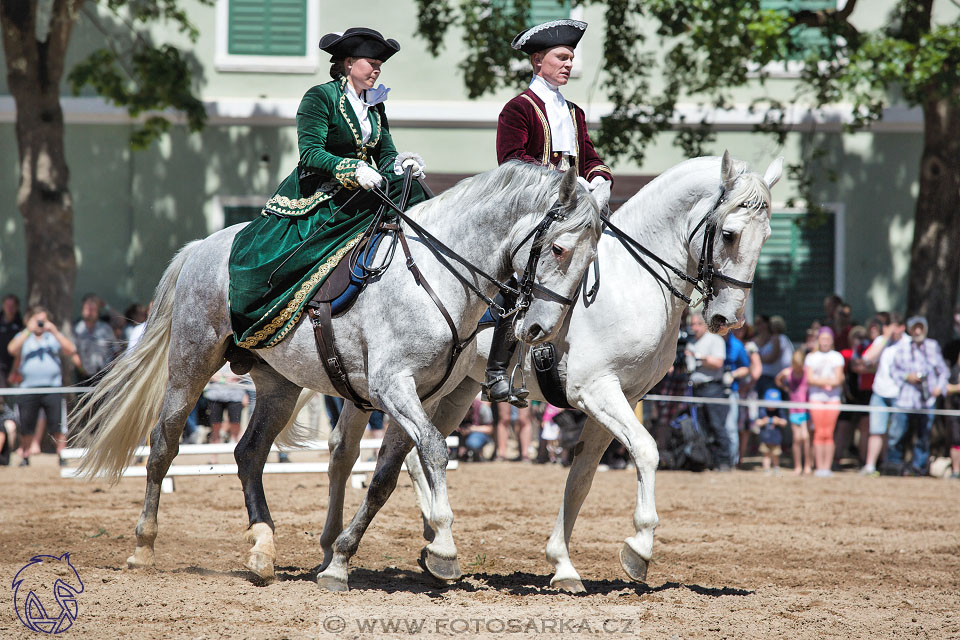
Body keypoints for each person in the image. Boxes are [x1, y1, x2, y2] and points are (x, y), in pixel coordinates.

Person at [229, 27, 427, 350]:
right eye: (371, 62)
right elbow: (309, 152)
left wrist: (401, 165)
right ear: (348, 63)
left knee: (413, 191)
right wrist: (350, 167)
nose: (377, 69)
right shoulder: (320, 97)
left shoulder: (375, 105)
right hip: (322, 190)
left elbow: (385, 153)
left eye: (380, 64)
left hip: (366, 186)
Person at [483, 18, 613, 407]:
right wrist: (564, 181)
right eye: (562, 57)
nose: (568, 64)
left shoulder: (573, 111)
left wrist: (600, 177)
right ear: (538, 61)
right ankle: (496, 370)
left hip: (572, 210)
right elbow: (512, 162)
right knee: (517, 279)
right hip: (531, 213)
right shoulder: (518, 108)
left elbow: (588, 156)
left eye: (571, 58)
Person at [6, 306, 78, 465]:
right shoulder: (24, 337)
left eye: (43, 320)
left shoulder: (52, 338)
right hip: (28, 388)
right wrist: (27, 331)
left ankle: (62, 456)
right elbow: (11, 349)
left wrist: (54, 331)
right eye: (37, 320)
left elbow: (71, 349)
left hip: (52, 387)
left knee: (57, 424)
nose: (40, 324)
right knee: (26, 425)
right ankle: (25, 456)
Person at [886, 316, 948, 476]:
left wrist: (938, 388)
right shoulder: (903, 348)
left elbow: (943, 371)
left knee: (923, 436)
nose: (918, 331)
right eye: (915, 328)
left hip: (927, 401)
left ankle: (918, 468)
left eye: (921, 328)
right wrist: (908, 376)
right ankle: (894, 465)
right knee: (897, 434)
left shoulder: (932, 347)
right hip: (906, 398)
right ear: (910, 330)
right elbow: (893, 371)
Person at [859, 313, 906, 475]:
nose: (890, 331)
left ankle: (890, 465)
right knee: (876, 430)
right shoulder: (881, 341)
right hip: (879, 392)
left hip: (900, 393)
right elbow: (867, 359)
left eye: (893, 327)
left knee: (895, 434)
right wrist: (885, 338)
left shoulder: (907, 343)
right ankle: (870, 466)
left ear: (902, 327)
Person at [685, 311, 731, 471]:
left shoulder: (715, 340)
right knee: (701, 427)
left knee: (717, 425)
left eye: (697, 324)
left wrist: (698, 357)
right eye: (691, 324)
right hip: (696, 389)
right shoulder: (690, 342)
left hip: (713, 388)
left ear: (705, 325)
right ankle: (709, 461)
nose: (694, 328)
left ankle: (724, 461)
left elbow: (718, 363)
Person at [804, 327, 845, 477]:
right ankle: (819, 467)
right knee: (819, 433)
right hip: (816, 399)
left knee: (828, 433)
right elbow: (810, 379)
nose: (825, 342)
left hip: (832, 399)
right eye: (823, 338)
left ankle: (827, 467)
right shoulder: (811, 357)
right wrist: (827, 382)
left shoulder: (837, 357)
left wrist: (821, 381)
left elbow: (838, 379)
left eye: (828, 339)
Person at [777, 348, 811, 475]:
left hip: (806, 409)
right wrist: (786, 388)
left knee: (806, 438)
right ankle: (798, 466)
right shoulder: (788, 373)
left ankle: (807, 464)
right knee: (797, 438)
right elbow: (778, 379)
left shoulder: (807, 372)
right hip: (794, 410)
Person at [74, 293, 119, 383]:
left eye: (93, 309)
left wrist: (105, 306)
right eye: (87, 308)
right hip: (83, 377)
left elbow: (116, 351)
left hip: (104, 375)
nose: (90, 312)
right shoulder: (76, 329)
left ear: (98, 311)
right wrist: (82, 370)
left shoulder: (106, 328)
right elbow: (73, 353)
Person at [723, 330, 751, 466]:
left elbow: (746, 368)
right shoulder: (712, 342)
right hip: (712, 391)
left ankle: (732, 461)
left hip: (731, 391)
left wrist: (733, 375)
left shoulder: (737, 345)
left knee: (730, 428)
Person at [752, 388, 787, 475]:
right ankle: (766, 469)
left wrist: (778, 421)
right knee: (766, 455)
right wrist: (764, 421)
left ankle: (776, 468)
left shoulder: (780, 411)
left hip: (776, 439)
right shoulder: (762, 410)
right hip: (765, 439)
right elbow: (757, 422)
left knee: (776, 455)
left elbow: (785, 422)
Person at [944, 340, 960, 479]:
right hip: (955, 408)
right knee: (956, 440)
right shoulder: (954, 370)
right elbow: (945, 388)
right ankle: (956, 471)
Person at [0, 294, 24, 386]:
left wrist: (14, 370)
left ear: (17, 307)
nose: (9, 309)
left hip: (16, 364)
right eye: (7, 305)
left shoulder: (21, 324)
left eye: (12, 306)